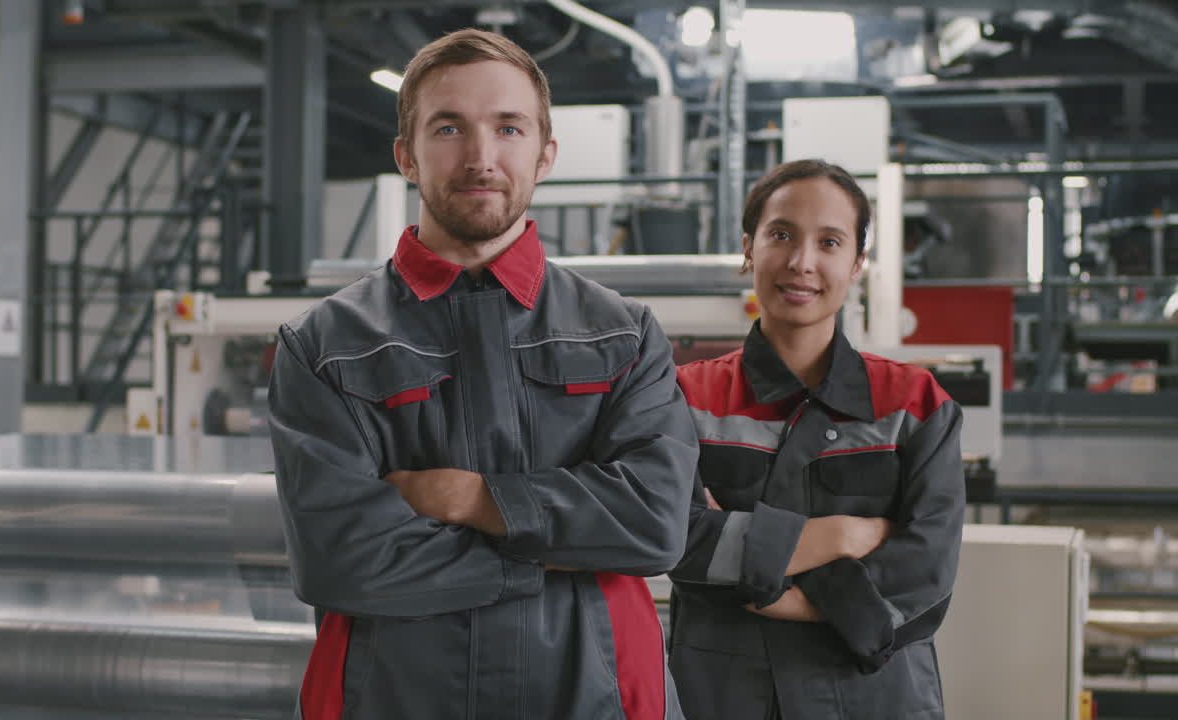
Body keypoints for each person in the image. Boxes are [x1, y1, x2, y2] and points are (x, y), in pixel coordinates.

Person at [268, 28, 699, 720]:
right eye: (448, 128)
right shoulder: (325, 347)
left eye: (509, 128)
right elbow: (340, 558)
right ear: (406, 156)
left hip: (596, 697)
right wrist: (559, 549)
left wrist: (473, 501)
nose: (480, 157)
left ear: (545, 153)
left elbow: (653, 525)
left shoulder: (624, 334)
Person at [666, 159, 966, 720]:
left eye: (829, 242)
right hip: (722, 694)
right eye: (781, 235)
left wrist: (777, 595)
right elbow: (678, 541)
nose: (802, 262)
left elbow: (925, 574)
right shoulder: (687, 397)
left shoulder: (915, 404)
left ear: (857, 263)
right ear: (748, 248)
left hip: (875, 700)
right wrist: (844, 534)